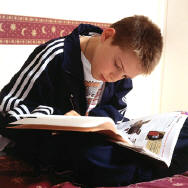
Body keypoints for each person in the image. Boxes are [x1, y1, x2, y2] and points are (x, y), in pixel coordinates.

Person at [0, 15, 187, 187]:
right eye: (117, 65)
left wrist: (103, 124)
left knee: (183, 128)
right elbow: (6, 107)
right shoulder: (56, 55)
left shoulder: (121, 78)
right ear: (107, 36)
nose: (115, 77)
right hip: (52, 141)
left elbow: (117, 110)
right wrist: (60, 117)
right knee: (89, 153)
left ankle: (146, 164)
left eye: (125, 75)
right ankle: (153, 168)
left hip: (93, 138)